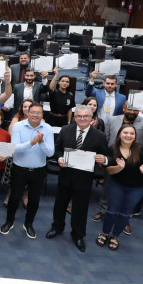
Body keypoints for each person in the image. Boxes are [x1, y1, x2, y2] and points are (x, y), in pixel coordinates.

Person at [46, 105, 110, 252]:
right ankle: (57, 227)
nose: (82, 119)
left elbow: (107, 156)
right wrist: (60, 157)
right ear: (75, 118)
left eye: (85, 116)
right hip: (65, 175)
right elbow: (57, 149)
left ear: (92, 119)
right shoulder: (65, 130)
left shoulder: (99, 136)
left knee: (80, 209)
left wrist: (104, 159)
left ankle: (78, 235)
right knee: (60, 204)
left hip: (84, 179)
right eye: (79, 116)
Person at [2, 103, 54, 239]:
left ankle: (29, 223)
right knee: (14, 197)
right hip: (19, 169)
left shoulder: (47, 128)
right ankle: (9, 221)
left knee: (34, 200)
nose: (35, 115)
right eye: (33, 112)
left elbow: (50, 153)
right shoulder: (19, 126)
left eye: (39, 113)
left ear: (42, 115)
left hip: (38, 170)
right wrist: (31, 142)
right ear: (27, 113)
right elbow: (15, 148)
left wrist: (41, 142)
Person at [98, 125, 143, 250]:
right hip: (117, 185)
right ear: (119, 134)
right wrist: (119, 167)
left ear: (135, 136)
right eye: (125, 133)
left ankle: (115, 235)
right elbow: (109, 171)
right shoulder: (112, 149)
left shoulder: (141, 149)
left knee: (126, 212)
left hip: (137, 187)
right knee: (112, 210)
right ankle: (105, 233)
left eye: (132, 133)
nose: (128, 136)